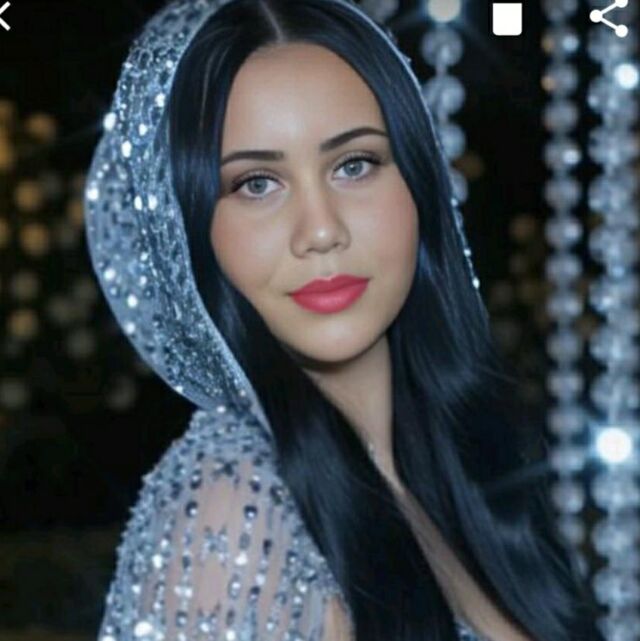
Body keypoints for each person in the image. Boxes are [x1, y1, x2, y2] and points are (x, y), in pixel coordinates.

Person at [84, 1, 604, 640]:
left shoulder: (471, 471)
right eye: (256, 184)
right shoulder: (232, 505)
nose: (321, 230)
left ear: (418, 183)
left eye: (353, 165)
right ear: (194, 232)